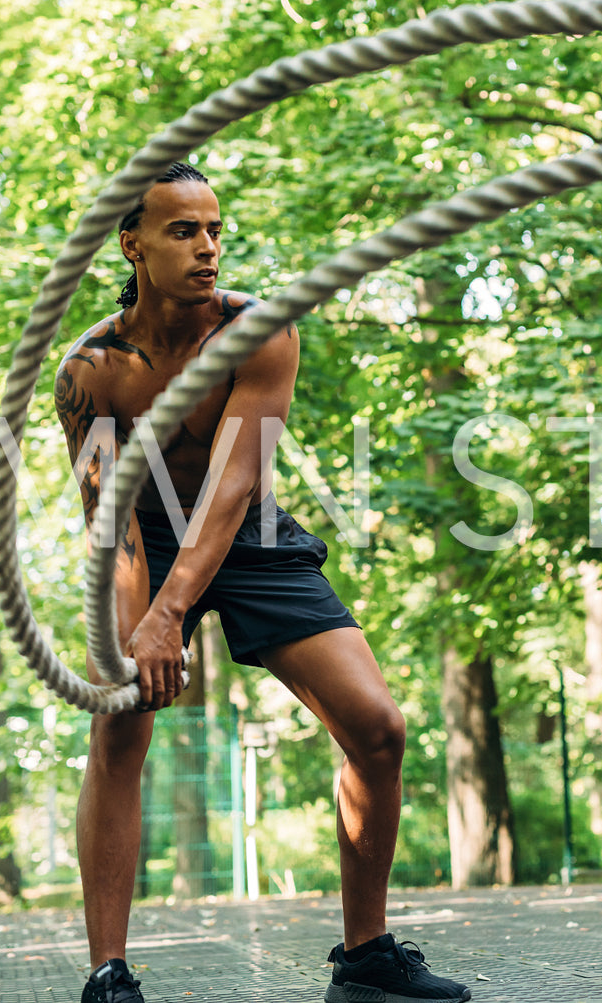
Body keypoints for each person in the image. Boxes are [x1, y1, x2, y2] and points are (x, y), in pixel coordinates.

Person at [54, 162, 472, 1003]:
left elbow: (235, 485)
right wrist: (143, 624)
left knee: (378, 727)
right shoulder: (91, 368)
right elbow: (115, 519)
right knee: (122, 722)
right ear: (131, 243)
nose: (207, 247)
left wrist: (177, 610)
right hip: (142, 539)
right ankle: (110, 975)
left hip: (245, 532)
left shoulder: (260, 331)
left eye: (215, 230)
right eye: (184, 231)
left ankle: (365, 961)